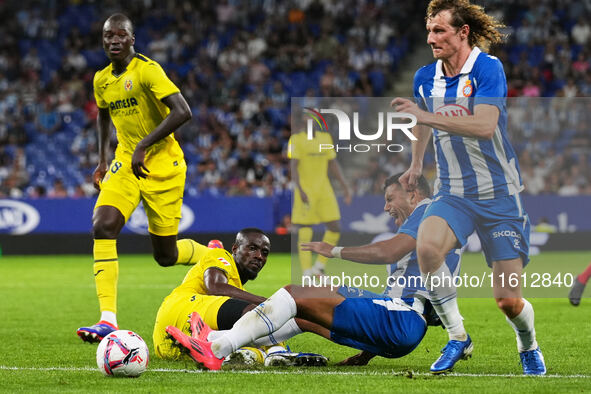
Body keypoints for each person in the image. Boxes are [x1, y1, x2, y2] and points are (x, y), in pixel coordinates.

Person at [391, 0, 545, 375]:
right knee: (427, 247)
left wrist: (424, 114)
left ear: (463, 32)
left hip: (499, 195)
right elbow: (422, 124)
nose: (431, 38)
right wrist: (415, 164)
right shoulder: (426, 76)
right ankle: (457, 336)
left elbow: (484, 125)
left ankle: (528, 345)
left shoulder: (488, 69)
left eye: (439, 30)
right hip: (453, 192)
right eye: (429, 31)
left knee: (508, 301)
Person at [164, 174, 457, 370]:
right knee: (302, 314)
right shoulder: (434, 229)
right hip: (398, 327)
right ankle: (220, 338)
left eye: (391, 199)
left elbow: (388, 252)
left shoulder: (427, 212)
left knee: (295, 294)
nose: (386, 207)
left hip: (403, 320)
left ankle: (216, 349)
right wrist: (369, 351)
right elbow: (414, 298)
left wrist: (335, 251)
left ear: (413, 194)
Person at [77, 13, 206, 342]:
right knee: (102, 225)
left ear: (132, 39)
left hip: (162, 164)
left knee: (166, 257)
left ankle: (212, 254)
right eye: (108, 36)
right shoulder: (101, 79)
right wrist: (103, 160)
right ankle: (107, 320)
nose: (114, 40)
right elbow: (103, 113)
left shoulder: (147, 70)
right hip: (125, 162)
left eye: (121, 35)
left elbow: (183, 111)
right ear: (103, 41)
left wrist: (144, 145)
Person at [153, 227, 328, 366]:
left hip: (172, 346)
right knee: (258, 314)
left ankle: (252, 354)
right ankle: (277, 352)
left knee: (246, 336)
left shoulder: (236, 285)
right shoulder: (221, 255)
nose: (259, 256)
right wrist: (270, 303)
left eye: (264, 253)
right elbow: (215, 287)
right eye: (252, 249)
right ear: (235, 249)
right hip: (181, 309)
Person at [288, 121, 351, 277]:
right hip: (306, 189)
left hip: (324, 189)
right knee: (305, 228)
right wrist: (300, 189)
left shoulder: (326, 138)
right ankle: (306, 271)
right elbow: (293, 165)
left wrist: (345, 186)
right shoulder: (296, 139)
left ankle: (319, 266)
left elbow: (332, 163)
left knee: (335, 227)